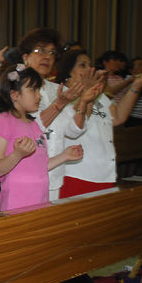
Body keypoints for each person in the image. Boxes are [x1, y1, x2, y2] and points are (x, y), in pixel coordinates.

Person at [57, 50, 142, 197]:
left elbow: (118, 117)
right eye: (82, 65)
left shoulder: (99, 97)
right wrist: (86, 94)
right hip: (78, 173)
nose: (90, 69)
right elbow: (75, 125)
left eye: (90, 65)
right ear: (68, 71)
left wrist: (135, 87)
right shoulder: (62, 95)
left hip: (105, 172)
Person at [0, 64, 84, 212]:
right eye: (33, 90)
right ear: (14, 95)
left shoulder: (33, 124)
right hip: (16, 204)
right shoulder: (2, 121)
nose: (38, 95)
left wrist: (64, 156)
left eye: (39, 89)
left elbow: (39, 167)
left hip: (41, 201)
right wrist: (17, 154)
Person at [17, 28, 89, 201]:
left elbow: (74, 131)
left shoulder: (59, 90)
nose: (47, 56)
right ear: (25, 57)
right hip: (25, 175)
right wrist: (61, 103)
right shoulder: (15, 88)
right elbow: (29, 128)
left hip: (54, 174)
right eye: (40, 50)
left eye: (51, 52)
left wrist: (85, 101)